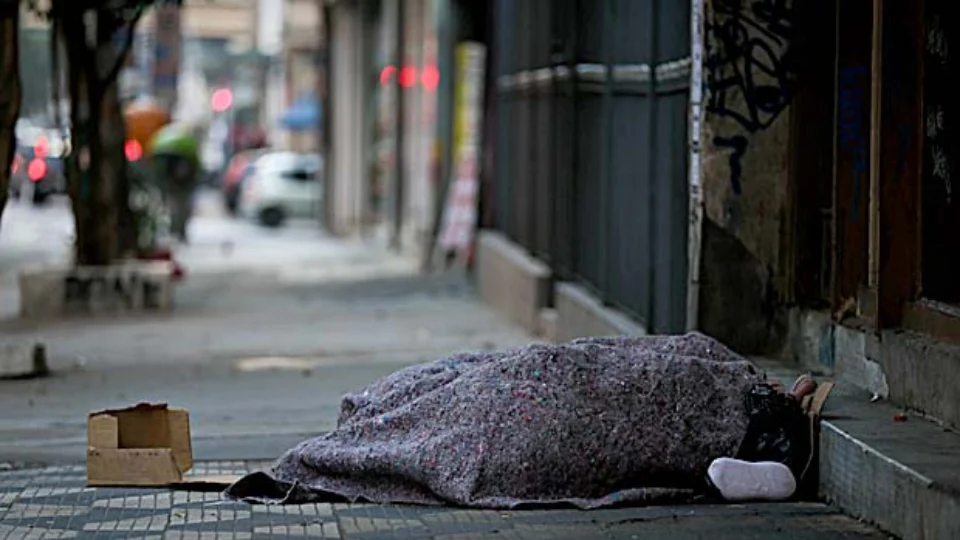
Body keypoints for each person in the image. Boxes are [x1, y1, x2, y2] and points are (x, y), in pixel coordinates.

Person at [226, 333, 822, 508]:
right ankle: (753, 455)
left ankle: (748, 456)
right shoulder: (715, 362)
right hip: (521, 412)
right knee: (589, 403)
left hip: (526, 399)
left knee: (580, 394)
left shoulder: (406, 405)